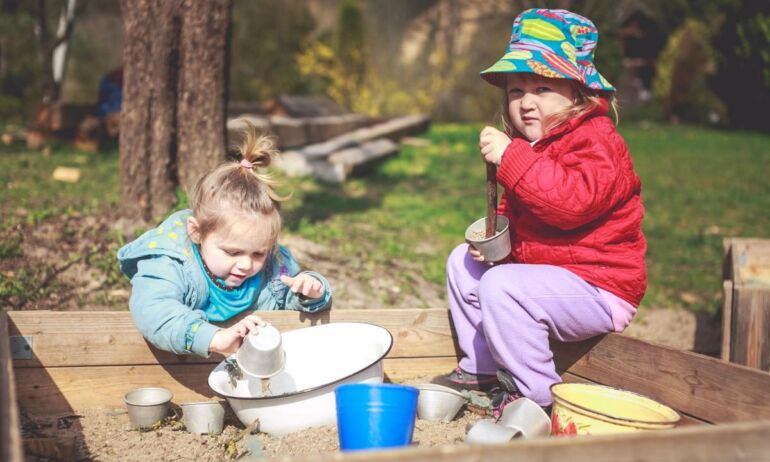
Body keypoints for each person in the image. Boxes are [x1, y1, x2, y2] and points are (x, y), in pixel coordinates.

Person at [437, 9, 646, 418]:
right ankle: (480, 368)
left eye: (542, 88)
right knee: (462, 264)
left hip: (599, 287)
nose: (527, 103)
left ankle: (536, 397)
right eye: (517, 91)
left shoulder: (597, 141)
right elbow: (519, 214)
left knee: (502, 287)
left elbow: (570, 205)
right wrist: (496, 243)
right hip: (548, 277)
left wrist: (511, 158)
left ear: (577, 92)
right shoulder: (532, 146)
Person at [117, 123, 332, 358]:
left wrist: (309, 292)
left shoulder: (273, 265)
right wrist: (213, 338)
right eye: (232, 253)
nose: (246, 265)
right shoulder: (169, 262)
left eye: (258, 253)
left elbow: (288, 299)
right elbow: (154, 309)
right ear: (197, 232)